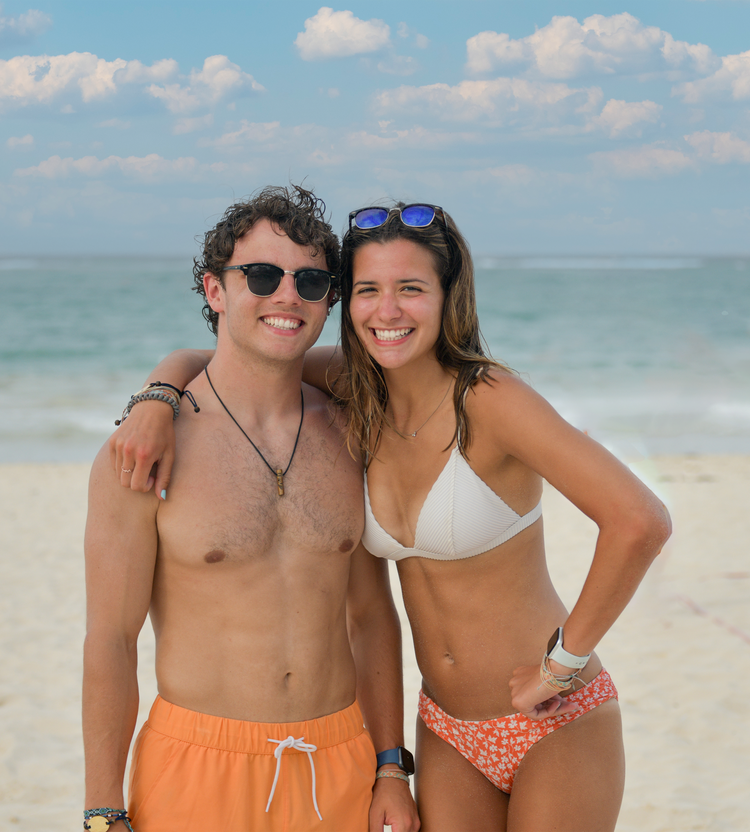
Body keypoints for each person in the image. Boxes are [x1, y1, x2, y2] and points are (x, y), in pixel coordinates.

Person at [110, 201, 672, 831]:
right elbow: (226, 357)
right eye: (368, 290)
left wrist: (561, 663)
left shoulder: (490, 400)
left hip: (553, 721)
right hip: (444, 732)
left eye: (411, 289)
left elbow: (639, 520)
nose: (388, 311)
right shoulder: (355, 391)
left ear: (446, 296)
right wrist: (156, 399)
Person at [83, 186, 420, 832]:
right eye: (262, 276)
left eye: (312, 281)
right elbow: (111, 642)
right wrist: (103, 811)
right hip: (195, 767)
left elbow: (373, 616)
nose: (287, 296)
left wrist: (390, 766)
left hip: (339, 765)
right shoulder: (146, 449)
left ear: (330, 301)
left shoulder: (353, 433)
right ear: (216, 291)